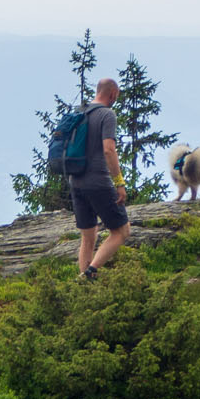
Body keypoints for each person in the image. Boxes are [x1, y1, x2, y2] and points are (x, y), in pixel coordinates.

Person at [69, 77, 130, 279]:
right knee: (121, 231)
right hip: (98, 181)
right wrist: (119, 183)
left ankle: (84, 285)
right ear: (112, 94)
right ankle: (90, 273)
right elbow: (109, 150)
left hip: (76, 180)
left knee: (88, 237)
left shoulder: (80, 112)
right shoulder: (107, 114)